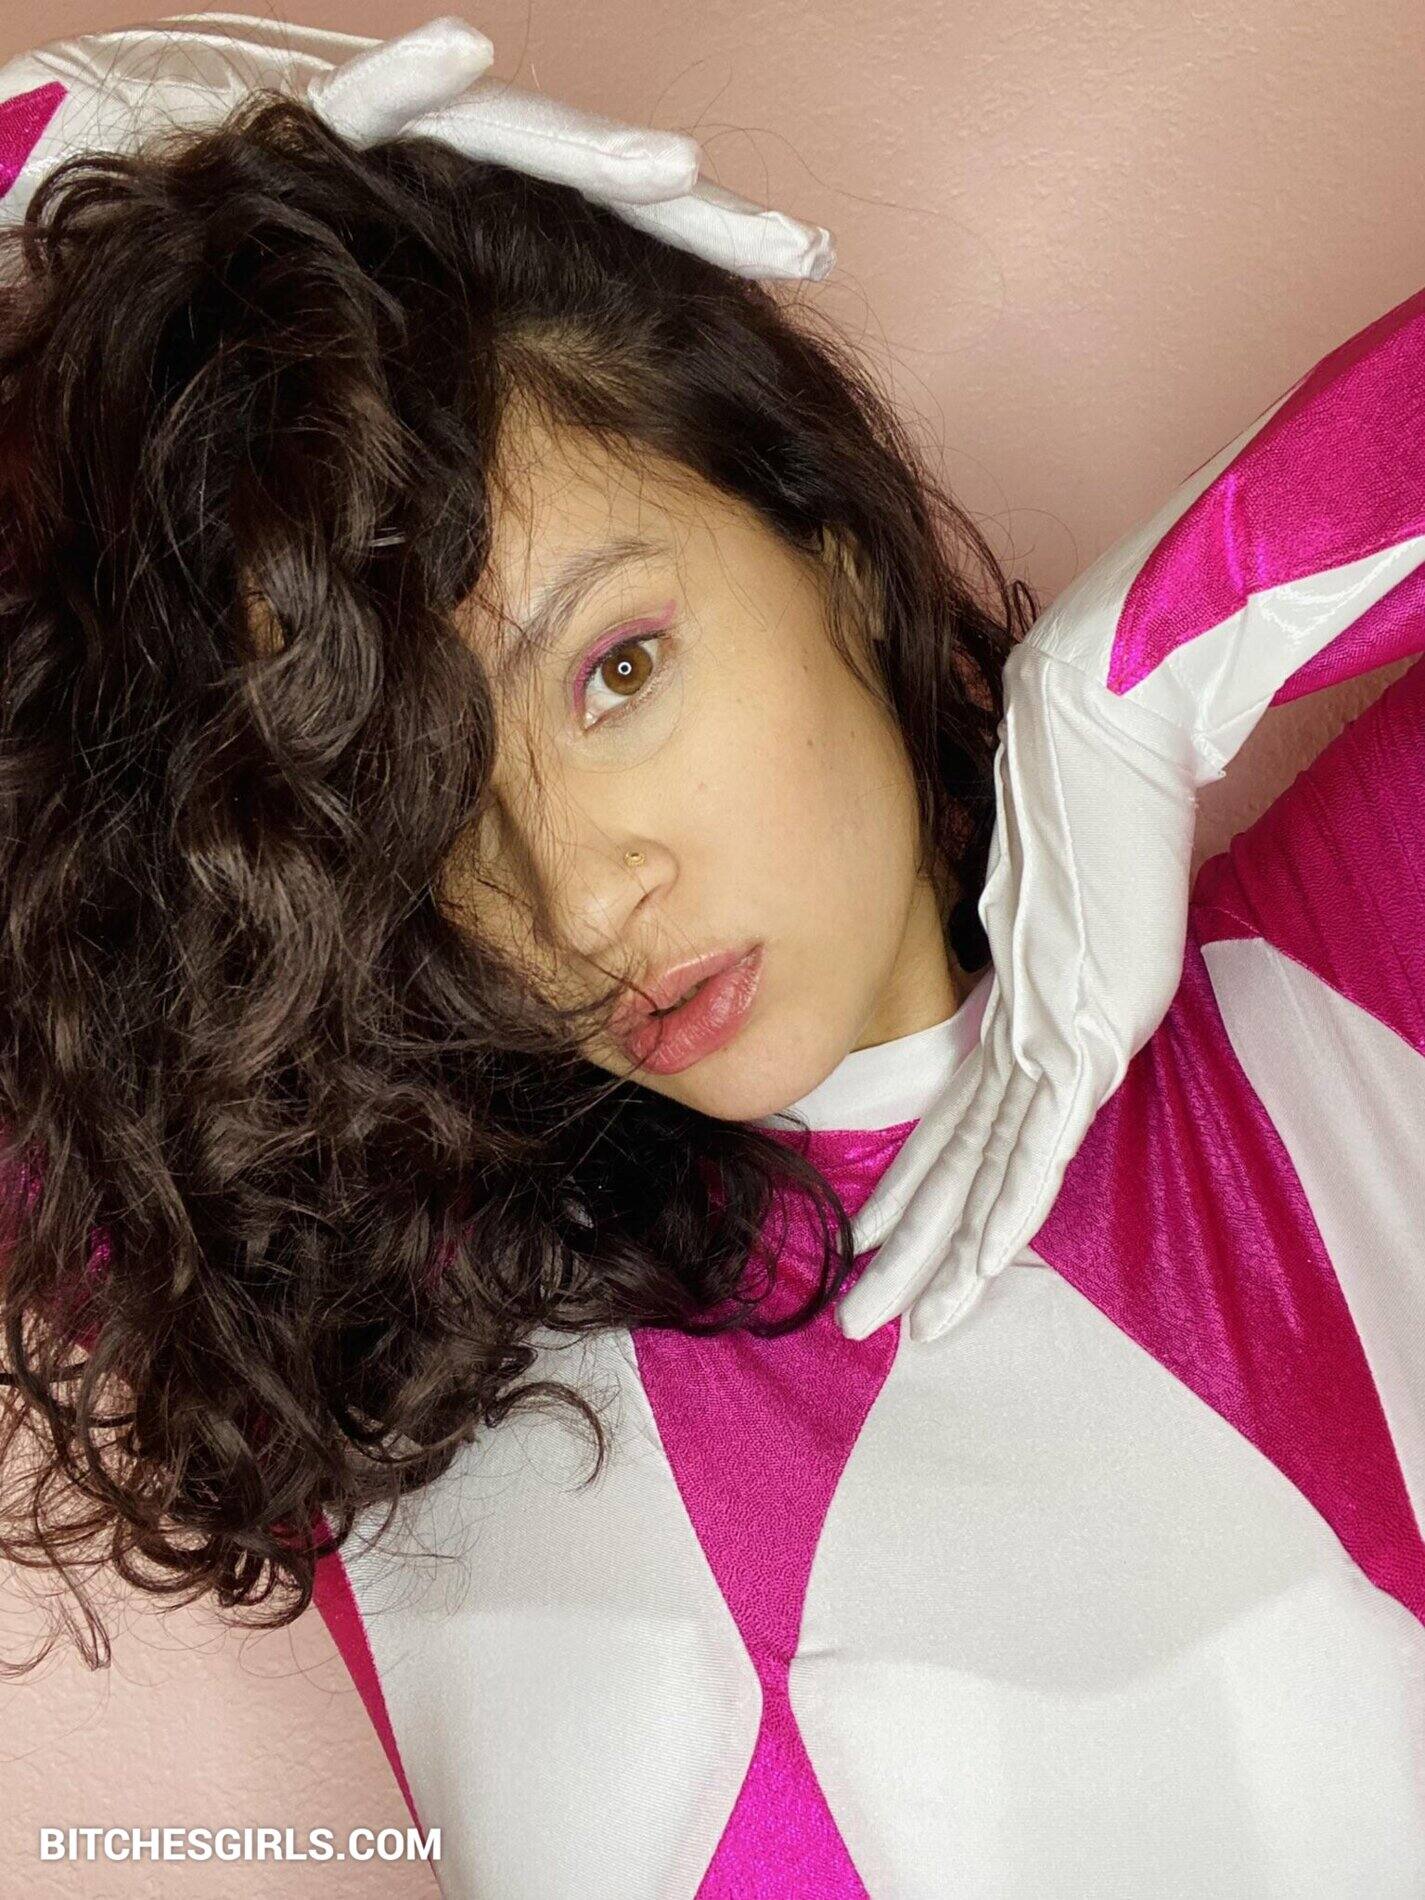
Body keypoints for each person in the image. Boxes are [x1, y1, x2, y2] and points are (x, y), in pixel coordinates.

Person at [0, 30, 1421, 1900]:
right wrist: (137, 156)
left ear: (833, 546)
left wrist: (1154, 658)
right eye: (417, 806)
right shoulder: (336, 1319)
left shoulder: (1340, 1001)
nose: (577, 899)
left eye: (616, 669)